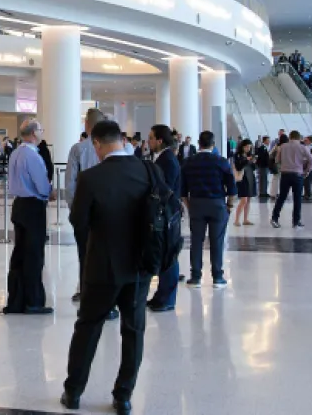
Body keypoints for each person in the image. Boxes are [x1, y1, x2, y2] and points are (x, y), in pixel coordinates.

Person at [62, 120, 149, 415]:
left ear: (97, 144)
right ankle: (123, 396)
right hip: (139, 267)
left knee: (88, 326)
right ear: (122, 140)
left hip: (101, 265)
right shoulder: (149, 171)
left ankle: (73, 392)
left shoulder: (91, 178)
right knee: (133, 330)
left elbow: (78, 221)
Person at [2, 119, 51, 315]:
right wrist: (50, 192)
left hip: (19, 205)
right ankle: (33, 300)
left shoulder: (15, 153)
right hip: (33, 206)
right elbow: (41, 184)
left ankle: (17, 299)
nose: (42, 132)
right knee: (33, 255)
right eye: (40, 129)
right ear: (33, 133)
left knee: (20, 254)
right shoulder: (33, 156)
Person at [180, 130, 236, 288]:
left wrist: (189, 205)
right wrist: (229, 205)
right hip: (217, 204)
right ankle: (217, 277)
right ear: (213, 144)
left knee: (196, 241)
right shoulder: (221, 161)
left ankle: (196, 276)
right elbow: (232, 187)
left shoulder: (188, 162)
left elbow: (183, 190)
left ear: (199, 143)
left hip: (197, 203)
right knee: (217, 241)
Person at [67, 108, 105, 304]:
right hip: (105, 214)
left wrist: (75, 210)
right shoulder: (112, 149)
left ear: (86, 125)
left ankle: (85, 290)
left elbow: (70, 185)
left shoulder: (78, 149)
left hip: (84, 212)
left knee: (84, 253)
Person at [145, 124, 181, 313]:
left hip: (168, 214)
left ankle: (167, 298)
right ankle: (161, 295)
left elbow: (165, 188)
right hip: (161, 214)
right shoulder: (159, 158)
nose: (148, 141)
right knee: (162, 252)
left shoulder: (168, 160)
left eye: (151, 138)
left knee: (169, 254)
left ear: (160, 140)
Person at [270, 130, 312, 229]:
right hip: (298, 175)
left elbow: (277, 160)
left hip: (285, 174)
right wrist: (306, 171)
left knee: (281, 197)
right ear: (299, 138)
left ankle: (274, 218)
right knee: (297, 198)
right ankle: (296, 221)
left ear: (290, 137)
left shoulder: (282, 147)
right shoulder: (303, 147)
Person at [232, 139, 256, 226]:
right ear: (242, 146)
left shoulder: (250, 155)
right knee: (244, 199)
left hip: (250, 177)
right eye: (246, 147)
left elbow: (253, 168)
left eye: (249, 147)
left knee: (248, 199)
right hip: (242, 178)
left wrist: (253, 162)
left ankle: (245, 219)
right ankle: (236, 219)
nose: (248, 148)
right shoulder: (238, 155)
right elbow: (238, 167)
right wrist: (246, 160)